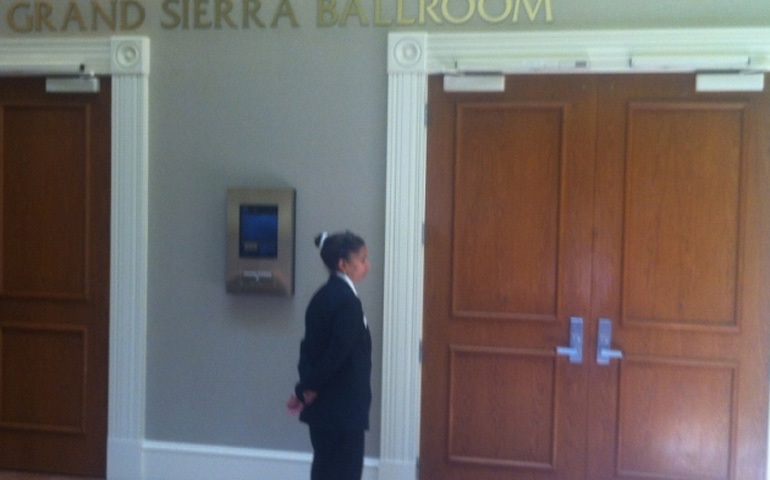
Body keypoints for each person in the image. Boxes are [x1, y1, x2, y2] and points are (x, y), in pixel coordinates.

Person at [287, 230, 372, 480]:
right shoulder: (348, 302)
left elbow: (308, 348)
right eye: (363, 259)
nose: (368, 265)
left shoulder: (321, 297)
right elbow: (339, 353)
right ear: (343, 264)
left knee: (324, 468)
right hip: (343, 409)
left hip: (324, 408)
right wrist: (308, 387)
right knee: (344, 472)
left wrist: (306, 388)